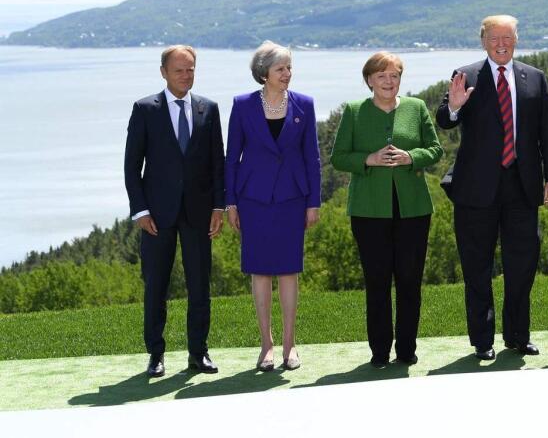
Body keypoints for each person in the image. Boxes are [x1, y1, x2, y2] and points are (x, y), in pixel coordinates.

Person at [436, 15, 548, 360]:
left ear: (516, 40)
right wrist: (455, 106)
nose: (501, 44)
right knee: (477, 267)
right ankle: (482, 340)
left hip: (523, 187)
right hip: (476, 189)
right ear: (483, 41)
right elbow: (444, 120)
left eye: (507, 38)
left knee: (522, 266)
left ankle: (518, 336)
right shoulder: (466, 75)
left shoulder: (534, 77)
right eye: (494, 38)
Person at [332, 52, 443, 367]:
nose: (388, 81)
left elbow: (434, 149)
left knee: (410, 281)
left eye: (394, 75)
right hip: (368, 213)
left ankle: (406, 350)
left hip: (414, 210)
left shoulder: (416, 107)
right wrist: (368, 159)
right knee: (377, 282)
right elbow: (338, 156)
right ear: (369, 80)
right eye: (381, 76)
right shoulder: (354, 111)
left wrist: (410, 157)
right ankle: (379, 352)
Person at [123, 45, 225, 377]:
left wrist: (218, 207)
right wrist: (140, 211)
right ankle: (155, 354)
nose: (186, 75)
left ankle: (199, 352)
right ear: (164, 72)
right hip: (157, 215)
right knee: (156, 287)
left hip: (198, 213)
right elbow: (131, 166)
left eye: (191, 69)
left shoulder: (209, 109)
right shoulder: (144, 109)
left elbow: (217, 164)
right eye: (179, 70)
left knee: (200, 286)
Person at [224, 41, 322, 371]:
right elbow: (231, 158)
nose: (287, 74)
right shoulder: (242, 105)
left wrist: (314, 202)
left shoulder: (305, 105)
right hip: (253, 200)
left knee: (289, 271)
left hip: (293, 200)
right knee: (260, 271)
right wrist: (231, 202)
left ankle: (290, 346)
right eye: (281, 69)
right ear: (264, 73)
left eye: (289, 68)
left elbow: (313, 158)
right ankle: (267, 345)